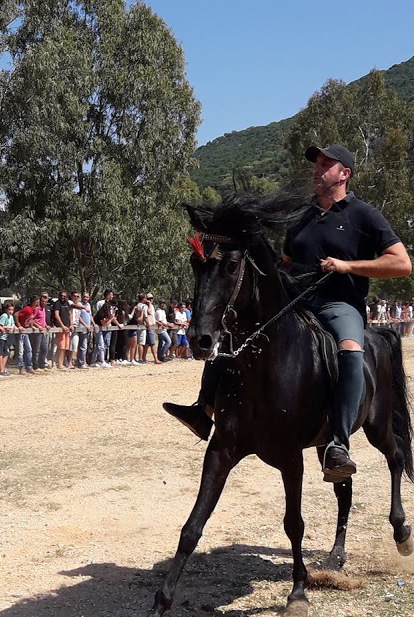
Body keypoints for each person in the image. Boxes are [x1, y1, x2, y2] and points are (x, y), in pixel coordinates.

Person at [164, 144, 411, 483]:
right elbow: (287, 260)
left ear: (344, 174)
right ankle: (203, 409)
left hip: (339, 304)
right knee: (235, 334)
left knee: (352, 352)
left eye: (327, 164)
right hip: (296, 303)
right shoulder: (301, 217)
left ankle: (337, 443)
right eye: (316, 164)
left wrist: (347, 266)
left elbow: (401, 264)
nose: (317, 169)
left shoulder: (364, 215)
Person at [14, 295, 41, 374]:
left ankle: (29, 366)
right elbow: (16, 314)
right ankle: (21, 367)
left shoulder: (32, 310)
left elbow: (30, 319)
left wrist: (32, 326)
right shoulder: (27, 309)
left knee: (29, 349)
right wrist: (19, 325)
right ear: (35, 302)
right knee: (20, 351)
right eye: (38, 301)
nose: (38, 303)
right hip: (21, 332)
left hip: (25, 332)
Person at [53, 290, 72, 370]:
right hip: (60, 328)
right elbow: (56, 315)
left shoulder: (67, 303)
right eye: (61, 295)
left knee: (65, 346)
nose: (63, 297)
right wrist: (62, 325)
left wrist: (71, 324)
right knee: (61, 346)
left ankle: (62, 363)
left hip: (67, 328)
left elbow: (70, 314)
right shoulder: (57, 303)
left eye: (64, 296)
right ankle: (59, 364)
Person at [0, 302, 15, 376]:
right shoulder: (4, 316)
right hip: (0, 337)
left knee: (6, 353)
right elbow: (1, 326)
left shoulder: (11, 317)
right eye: (9, 309)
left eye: (12, 310)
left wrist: (12, 327)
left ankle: (2, 369)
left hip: (6, 337)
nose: (10, 311)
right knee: (0, 353)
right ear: (6, 309)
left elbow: (13, 324)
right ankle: (1, 370)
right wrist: (9, 327)